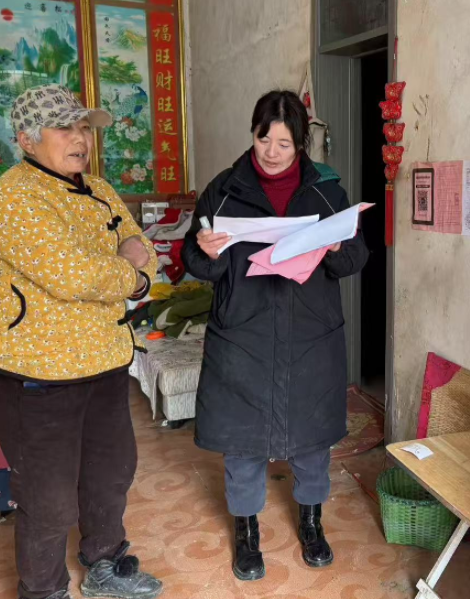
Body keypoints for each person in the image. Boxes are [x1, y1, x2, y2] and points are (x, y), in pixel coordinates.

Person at [0, 85, 163, 599]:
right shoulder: (12, 196)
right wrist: (128, 270)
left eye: (84, 128)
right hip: (37, 374)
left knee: (110, 475)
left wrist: (132, 270)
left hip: (104, 360)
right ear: (26, 140)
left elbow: (143, 247)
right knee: (49, 497)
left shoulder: (99, 188)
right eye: (65, 128)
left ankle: (105, 565)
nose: (80, 139)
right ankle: (44, 590)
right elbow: (74, 276)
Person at [181, 90, 370, 581]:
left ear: (301, 143)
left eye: (284, 144)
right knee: (242, 439)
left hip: (310, 332)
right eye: (264, 139)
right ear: (254, 133)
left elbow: (356, 258)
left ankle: (312, 522)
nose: (271, 152)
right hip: (243, 332)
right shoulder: (224, 189)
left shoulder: (326, 191)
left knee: (312, 438)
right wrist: (206, 251)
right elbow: (195, 261)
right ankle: (246, 532)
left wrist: (335, 247)